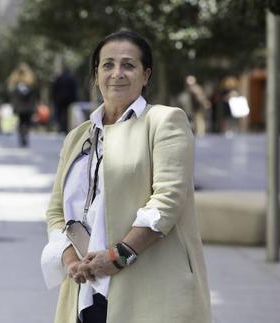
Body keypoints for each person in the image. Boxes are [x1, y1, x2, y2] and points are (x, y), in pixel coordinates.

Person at [40, 31, 211, 323]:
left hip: (149, 288)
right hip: (85, 288)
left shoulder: (165, 122)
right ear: (96, 75)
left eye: (128, 65)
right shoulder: (77, 136)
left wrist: (119, 256)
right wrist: (71, 260)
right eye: (107, 65)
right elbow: (56, 211)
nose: (116, 73)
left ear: (145, 75)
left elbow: (166, 202)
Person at [7, 63, 38, 147]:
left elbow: (12, 93)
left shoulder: (15, 80)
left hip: (21, 106)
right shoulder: (29, 80)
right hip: (26, 106)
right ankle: (24, 137)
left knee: (22, 122)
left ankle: (23, 137)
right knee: (25, 122)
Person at [51, 67, 78, 134]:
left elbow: (54, 89)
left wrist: (54, 98)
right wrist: (75, 99)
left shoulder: (59, 78)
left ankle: (61, 128)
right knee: (67, 114)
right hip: (69, 99)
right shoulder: (71, 78)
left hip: (59, 99)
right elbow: (74, 89)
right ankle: (66, 128)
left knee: (60, 114)